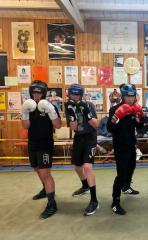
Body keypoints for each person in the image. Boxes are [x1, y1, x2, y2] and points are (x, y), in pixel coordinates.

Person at [21, 80, 61, 219]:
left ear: (43, 93)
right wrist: (24, 112)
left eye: (38, 92)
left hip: (45, 144)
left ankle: (52, 204)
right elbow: (25, 127)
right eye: (34, 92)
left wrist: (51, 111)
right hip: (32, 143)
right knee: (37, 168)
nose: (36, 95)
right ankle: (45, 190)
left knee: (45, 173)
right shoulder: (28, 106)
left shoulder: (50, 106)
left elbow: (59, 125)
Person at [107, 83, 144, 215]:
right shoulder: (115, 109)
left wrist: (140, 118)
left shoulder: (135, 109)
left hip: (131, 144)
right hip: (120, 146)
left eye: (133, 96)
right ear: (123, 96)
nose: (131, 98)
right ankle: (115, 202)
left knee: (131, 168)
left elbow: (140, 128)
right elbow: (109, 128)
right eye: (128, 96)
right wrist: (117, 117)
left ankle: (126, 187)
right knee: (121, 174)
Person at [65, 84, 99, 216]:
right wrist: (72, 114)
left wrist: (87, 114)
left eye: (77, 95)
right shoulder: (68, 106)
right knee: (77, 166)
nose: (74, 97)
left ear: (81, 95)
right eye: (72, 95)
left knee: (87, 166)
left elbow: (96, 124)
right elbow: (73, 127)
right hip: (79, 137)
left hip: (90, 137)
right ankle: (85, 186)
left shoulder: (88, 104)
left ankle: (94, 200)